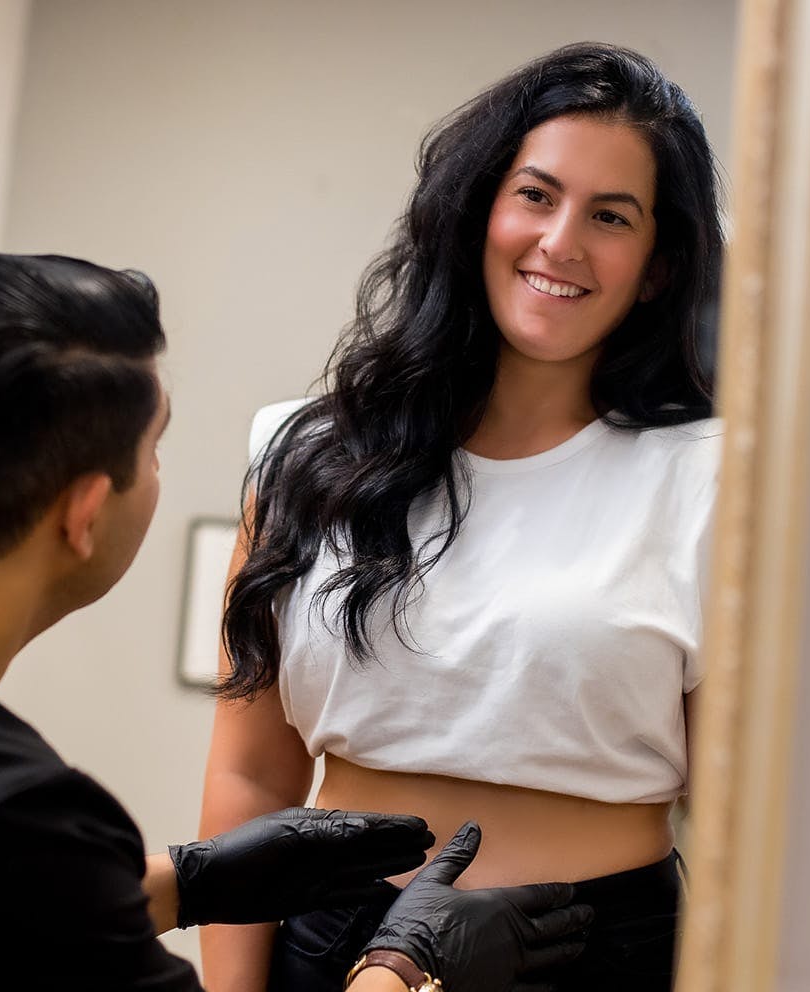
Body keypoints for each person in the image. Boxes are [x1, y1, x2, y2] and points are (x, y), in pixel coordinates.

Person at [0, 251, 589, 991]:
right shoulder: (13, 809)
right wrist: (403, 973)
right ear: (84, 513)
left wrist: (185, 885)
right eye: (154, 449)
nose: (158, 474)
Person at [198, 42, 724, 991]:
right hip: (327, 942)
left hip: (595, 951)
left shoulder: (711, 479)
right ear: (477, 208)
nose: (562, 241)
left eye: (611, 216)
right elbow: (251, 778)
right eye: (535, 195)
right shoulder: (306, 451)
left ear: (655, 265)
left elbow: (739, 825)